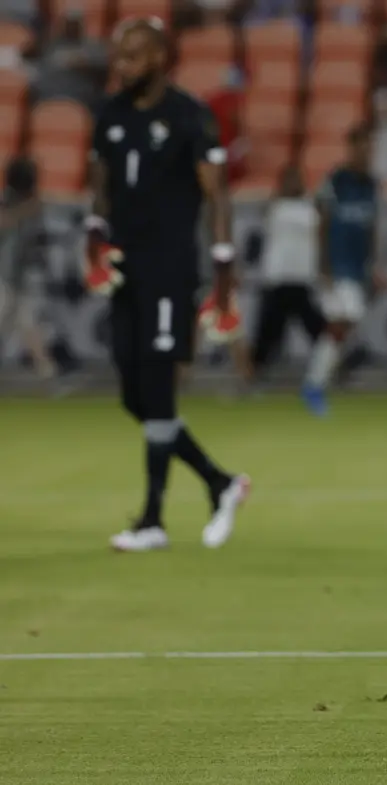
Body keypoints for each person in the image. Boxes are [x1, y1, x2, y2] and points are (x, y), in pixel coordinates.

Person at [85, 18, 250, 552]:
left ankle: (152, 520)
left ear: (158, 58)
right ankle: (220, 482)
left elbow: (217, 194)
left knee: (157, 390)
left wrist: (223, 267)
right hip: (127, 270)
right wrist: (95, 237)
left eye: (132, 57)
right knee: (135, 396)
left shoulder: (189, 116)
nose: (122, 66)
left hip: (169, 270)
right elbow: (102, 187)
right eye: (119, 57)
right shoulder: (109, 115)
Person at [301, 124, 382, 416]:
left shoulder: (371, 185)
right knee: (343, 320)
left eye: (370, 148)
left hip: (358, 266)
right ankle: (314, 384)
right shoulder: (336, 181)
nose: (367, 153)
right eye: (362, 147)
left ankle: (321, 378)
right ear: (351, 149)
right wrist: (322, 265)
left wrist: (375, 265)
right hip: (336, 264)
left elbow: (372, 226)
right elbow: (321, 223)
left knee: (344, 324)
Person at [250, 165, 324, 379]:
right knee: (268, 329)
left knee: (315, 327)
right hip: (278, 276)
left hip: (301, 275)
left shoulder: (311, 206)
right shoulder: (275, 206)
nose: (294, 184)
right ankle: (255, 370)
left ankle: (332, 364)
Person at [0, 156, 57, 385]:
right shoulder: (7, 200)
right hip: (5, 273)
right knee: (10, 319)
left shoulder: (37, 205)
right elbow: (4, 221)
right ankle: (45, 367)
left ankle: (46, 368)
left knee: (27, 319)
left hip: (28, 273)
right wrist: (26, 208)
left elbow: (41, 240)